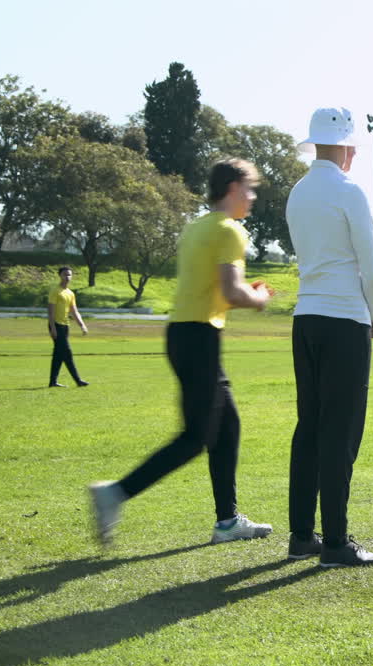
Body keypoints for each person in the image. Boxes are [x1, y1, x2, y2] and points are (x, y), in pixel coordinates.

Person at [88, 159, 274, 546]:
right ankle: (115, 493)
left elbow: (211, 288)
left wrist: (240, 295)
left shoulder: (197, 227)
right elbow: (231, 292)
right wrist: (258, 298)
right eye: (250, 189)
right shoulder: (229, 231)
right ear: (233, 187)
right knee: (195, 437)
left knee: (228, 427)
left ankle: (227, 521)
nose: (253, 198)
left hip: (184, 335)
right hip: (199, 337)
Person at [284, 107, 373, 568]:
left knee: (309, 426)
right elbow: (371, 264)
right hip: (344, 318)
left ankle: (302, 534)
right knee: (340, 431)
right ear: (348, 148)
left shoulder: (298, 192)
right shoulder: (349, 191)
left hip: (305, 317)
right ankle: (336, 542)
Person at [47, 266, 89, 387]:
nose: (67, 277)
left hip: (65, 326)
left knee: (58, 355)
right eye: (65, 275)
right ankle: (78, 380)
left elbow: (74, 311)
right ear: (60, 275)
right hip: (56, 325)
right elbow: (50, 311)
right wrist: (52, 328)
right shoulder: (55, 290)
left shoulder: (70, 293)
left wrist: (82, 325)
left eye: (69, 275)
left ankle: (52, 382)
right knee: (67, 353)